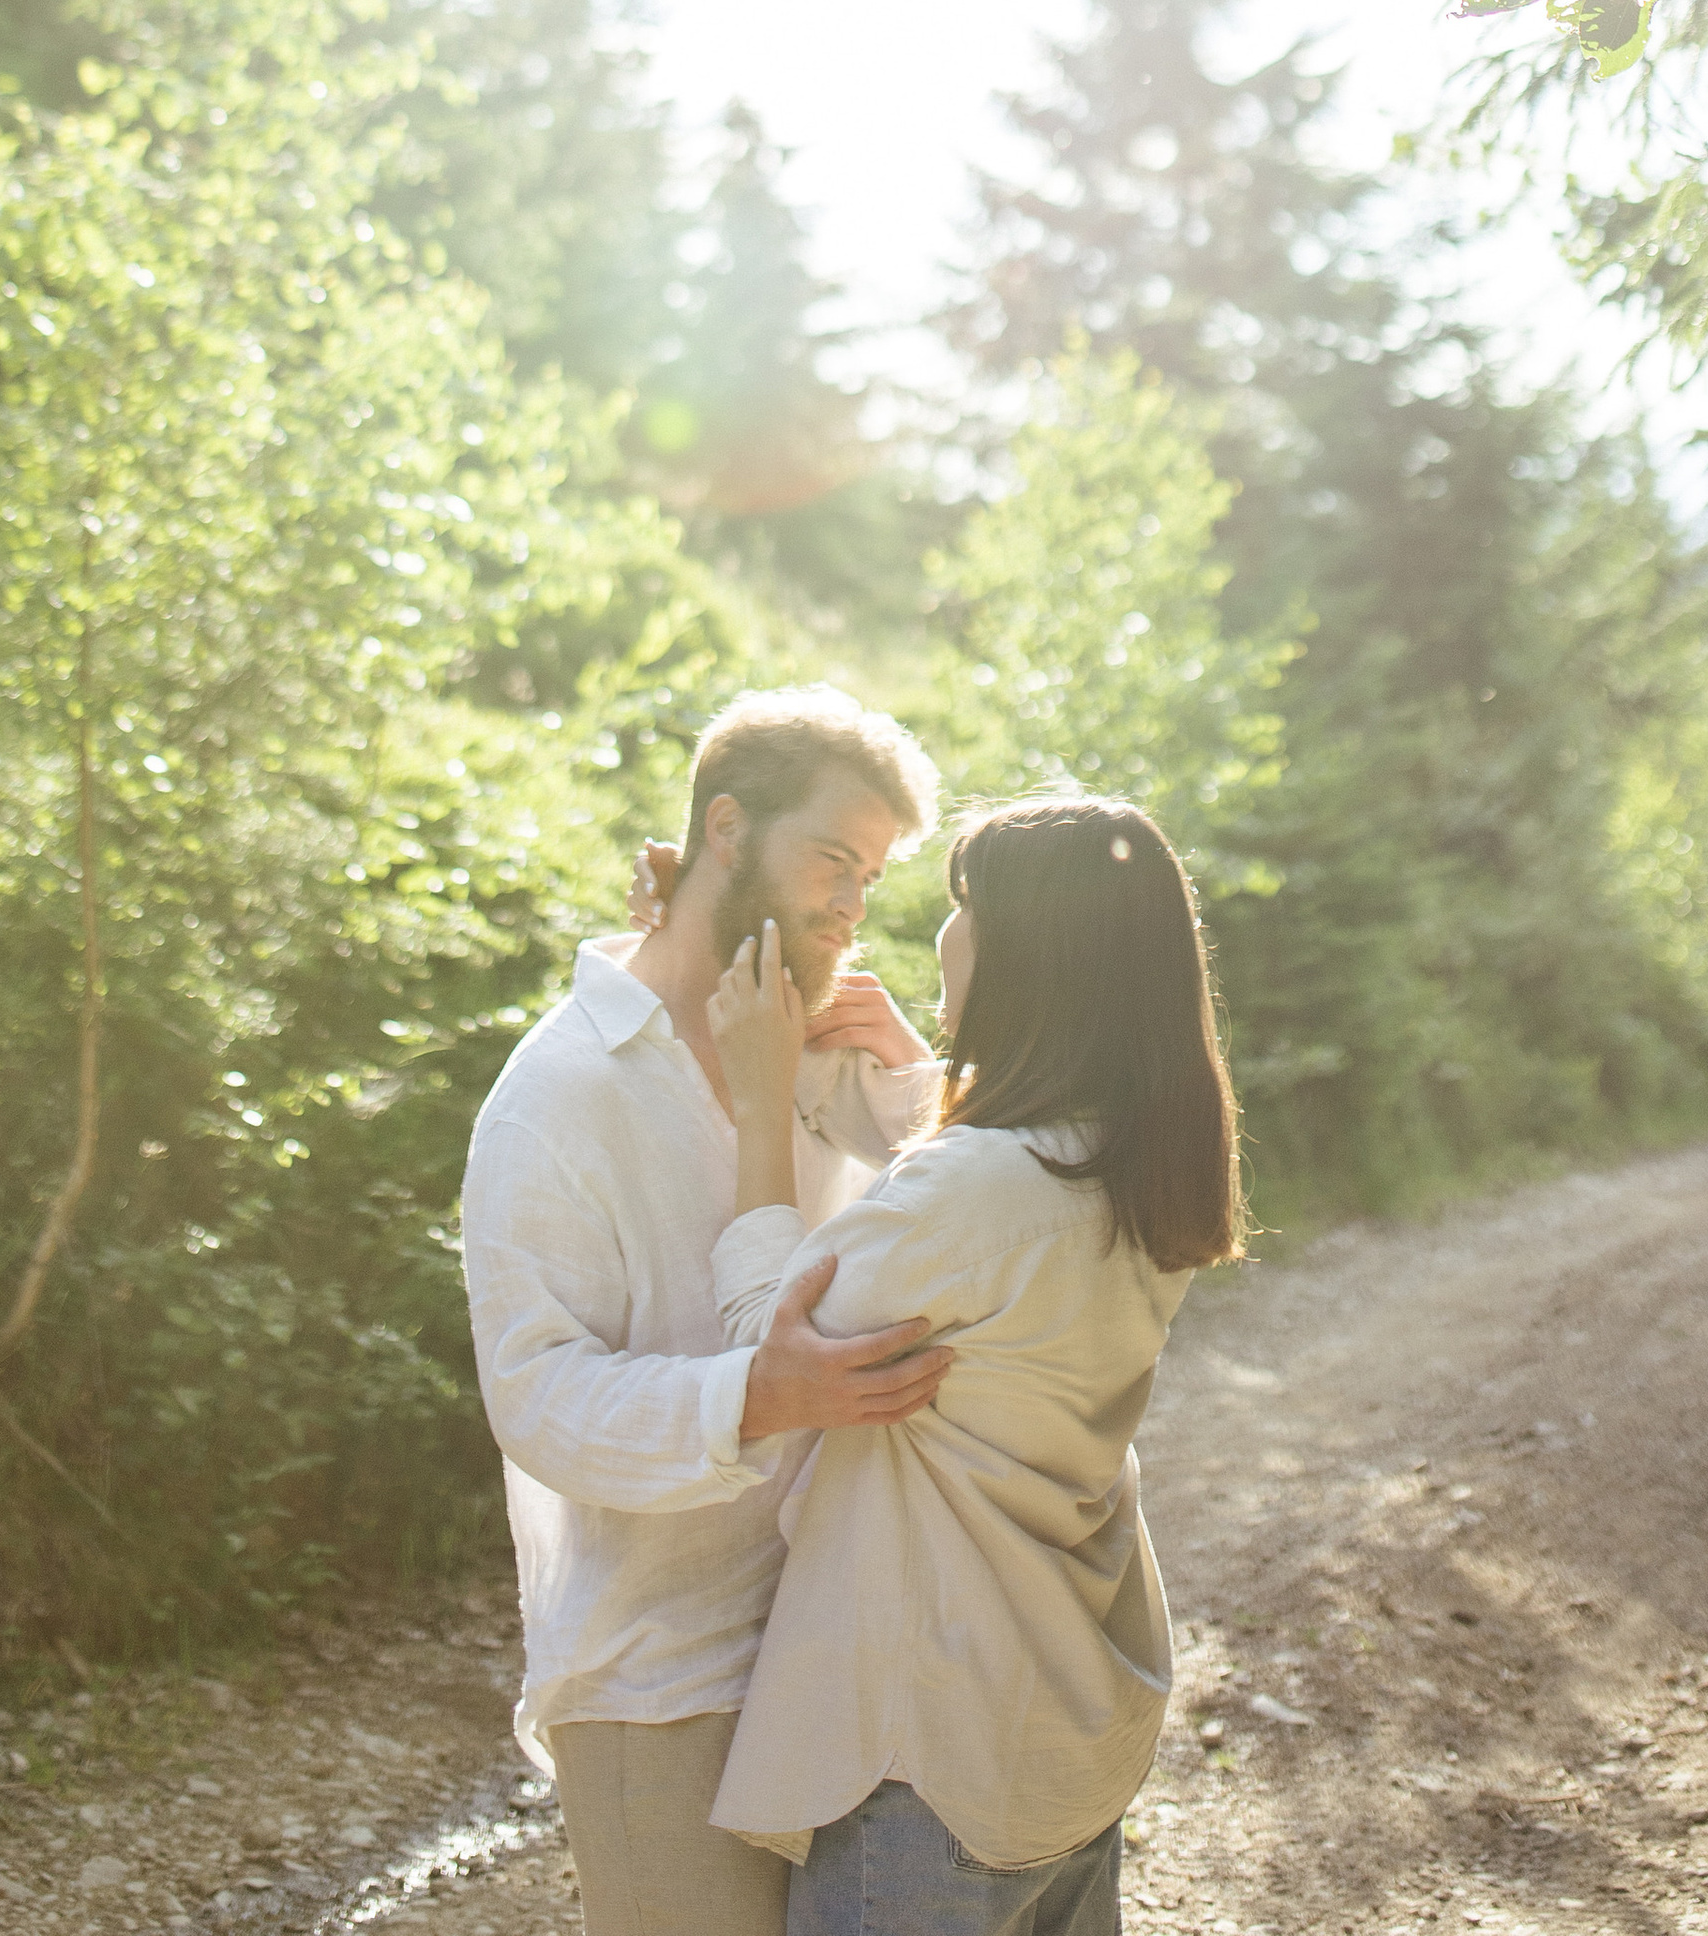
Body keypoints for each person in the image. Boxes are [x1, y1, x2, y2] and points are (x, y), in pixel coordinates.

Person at [703, 792, 1243, 1936]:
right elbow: (989, 1202)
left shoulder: (974, 1189)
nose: (945, 931)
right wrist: (920, 1067)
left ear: (1027, 954)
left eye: (965, 904)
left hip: (935, 1762)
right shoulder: (1136, 1159)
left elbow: (771, 1348)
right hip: (1060, 1728)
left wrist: (759, 1101)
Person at [460, 684, 950, 1936]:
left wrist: (908, 1071)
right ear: (726, 831)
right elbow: (537, 1394)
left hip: (848, 1641)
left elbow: (979, 1212)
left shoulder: (822, 1042)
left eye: (870, 877)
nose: (851, 905)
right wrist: (755, 1397)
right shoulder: (559, 1092)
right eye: (832, 860)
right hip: (664, 1681)